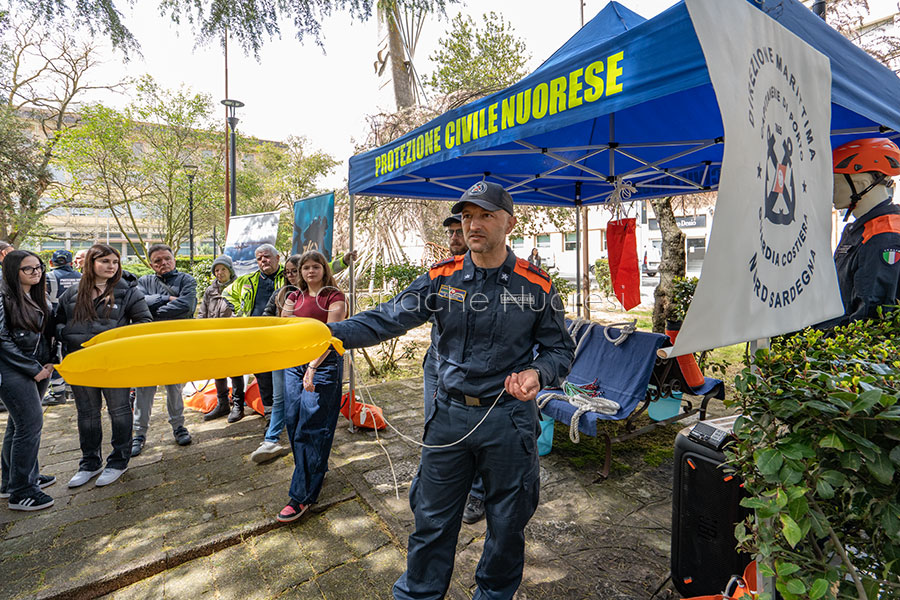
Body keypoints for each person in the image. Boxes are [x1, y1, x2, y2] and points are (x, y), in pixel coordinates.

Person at [329, 181, 575, 599]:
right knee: (431, 518)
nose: (472, 224)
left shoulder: (537, 286)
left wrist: (539, 372)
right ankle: (419, 593)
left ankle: (494, 593)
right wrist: (328, 333)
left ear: (509, 223)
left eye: (485, 215)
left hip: (509, 419)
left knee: (507, 520)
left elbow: (559, 348)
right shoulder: (441, 278)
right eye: (466, 216)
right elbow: (387, 318)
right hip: (449, 417)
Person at [56, 244, 152, 488]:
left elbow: (144, 324)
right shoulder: (72, 292)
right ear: (91, 263)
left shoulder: (129, 291)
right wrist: (69, 334)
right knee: (87, 415)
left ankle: (119, 461)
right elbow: (56, 324)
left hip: (115, 364)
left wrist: (116, 339)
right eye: (105, 261)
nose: (111, 266)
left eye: (115, 262)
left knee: (119, 412)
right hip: (81, 362)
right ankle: (89, 463)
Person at [422, 214, 486, 525]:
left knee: (472, 431)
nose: (453, 238)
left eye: (457, 232)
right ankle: (443, 485)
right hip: (435, 362)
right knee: (435, 425)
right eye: (449, 233)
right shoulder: (442, 274)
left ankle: (477, 493)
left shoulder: (488, 274)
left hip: (472, 374)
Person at [276, 250, 347, 522]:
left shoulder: (334, 297)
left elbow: (331, 335)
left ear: (324, 269)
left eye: (315, 267)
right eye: (305, 267)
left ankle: (302, 497)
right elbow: (284, 328)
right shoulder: (294, 296)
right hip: (294, 364)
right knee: (293, 422)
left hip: (323, 365)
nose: (309, 272)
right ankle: (314, 470)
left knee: (312, 426)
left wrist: (313, 367)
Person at [818, 138, 900, 329]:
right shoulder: (858, 229)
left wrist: (809, 331)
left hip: (856, 353)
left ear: (861, 183)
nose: (829, 191)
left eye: (835, 182)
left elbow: (870, 320)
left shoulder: (885, 236)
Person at [0, 250, 57, 511]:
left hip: (36, 368)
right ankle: (22, 491)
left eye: (39, 267)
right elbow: (2, 340)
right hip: (14, 370)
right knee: (30, 425)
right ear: (14, 271)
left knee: (18, 425)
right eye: (29, 269)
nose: (37, 273)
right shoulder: (3, 297)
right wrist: (31, 368)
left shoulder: (35, 294)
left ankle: (13, 481)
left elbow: (41, 335)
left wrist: (47, 362)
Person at [132, 244, 196, 456]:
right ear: (151, 264)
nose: (163, 263)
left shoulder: (186, 280)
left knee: (174, 387)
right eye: (158, 261)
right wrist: (167, 299)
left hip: (177, 343)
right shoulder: (144, 281)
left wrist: (153, 310)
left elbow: (186, 306)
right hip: (149, 344)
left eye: (167, 259)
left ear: (174, 259)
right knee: (144, 388)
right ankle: (139, 434)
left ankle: (178, 427)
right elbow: (139, 304)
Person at [249, 254, 303, 462]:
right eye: (287, 272)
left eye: (294, 271)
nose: (290, 276)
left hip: (303, 355)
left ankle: (300, 441)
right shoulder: (280, 294)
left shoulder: (314, 294)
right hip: (280, 352)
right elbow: (266, 317)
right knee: (279, 398)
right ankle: (271, 440)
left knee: (299, 400)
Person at [224, 244, 285, 415]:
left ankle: (286, 412)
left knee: (283, 375)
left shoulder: (288, 276)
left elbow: (320, 268)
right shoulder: (248, 280)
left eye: (266, 256)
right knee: (263, 375)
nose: (263, 261)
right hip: (257, 335)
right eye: (259, 258)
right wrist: (239, 310)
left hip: (281, 334)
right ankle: (270, 414)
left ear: (277, 258)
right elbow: (227, 293)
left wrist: (344, 262)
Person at [197, 255, 245, 422]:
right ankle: (222, 403)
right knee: (218, 370)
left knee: (235, 371)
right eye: (216, 270)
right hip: (213, 337)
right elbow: (202, 313)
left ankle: (238, 405)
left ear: (230, 270)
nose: (219, 273)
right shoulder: (210, 290)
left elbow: (241, 311)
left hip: (232, 337)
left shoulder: (238, 286)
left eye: (223, 269)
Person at [43, 250, 82, 406]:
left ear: (51, 263)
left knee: (58, 354)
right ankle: (72, 388)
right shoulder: (82, 277)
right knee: (74, 353)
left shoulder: (48, 277)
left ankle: (58, 392)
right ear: (71, 263)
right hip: (79, 320)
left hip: (57, 320)